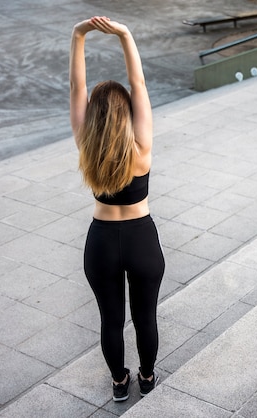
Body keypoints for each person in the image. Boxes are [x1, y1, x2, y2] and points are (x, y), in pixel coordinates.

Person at [69, 16, 165, 402]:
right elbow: (138, 83)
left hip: (102, 242)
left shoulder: (85, 144)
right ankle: (146, 376)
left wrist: (79, 35)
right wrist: (125, 34)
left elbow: (77, 86)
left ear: (92, 118)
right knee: (145, 318)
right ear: (127, 114)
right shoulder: (141, 146)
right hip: (141, 238)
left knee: (111, 319)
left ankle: (120, 383)